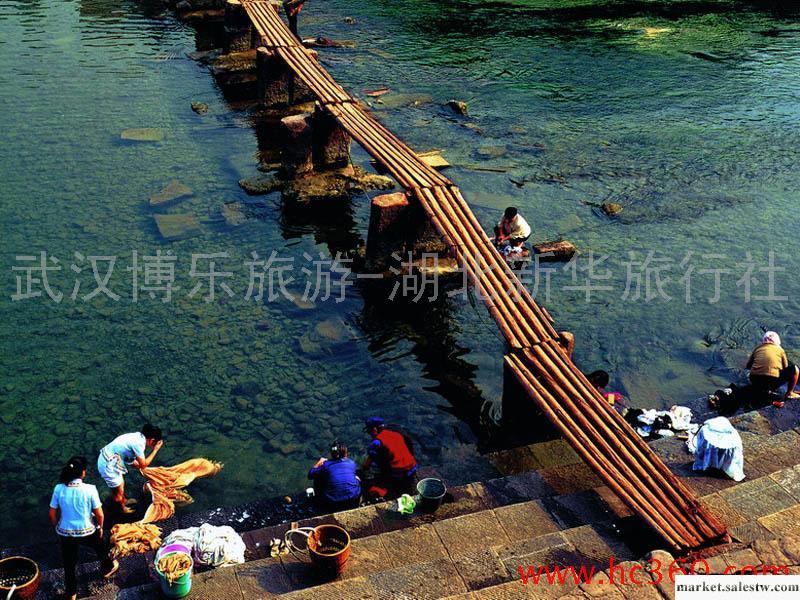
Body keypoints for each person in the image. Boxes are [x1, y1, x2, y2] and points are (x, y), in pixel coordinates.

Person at [49, 456, 119, 600]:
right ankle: (107, 568)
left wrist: (57, 526)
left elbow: (52, 513)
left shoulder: (58, 488)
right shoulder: (90, 489)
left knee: (69, 565)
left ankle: (72, 593)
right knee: (101, 548)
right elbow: (99, 514)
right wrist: (100, 527)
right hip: (87, 530)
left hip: (65, 533)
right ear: (83, 473)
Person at [98, 424, 163, 514]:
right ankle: (122, 509)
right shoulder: (139, 444)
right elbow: (143, 465)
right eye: (154, 443)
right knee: (118, 493)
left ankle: (124, 501)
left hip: (110, 458)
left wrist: (142, 468)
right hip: (108, 466)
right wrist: (155, 450)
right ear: (152, 440)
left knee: (121, 484)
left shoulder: (136, 436)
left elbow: (132, 461)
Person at [361, 417, 417, 499]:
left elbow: (367, 465)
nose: (369, 434)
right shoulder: (396, 434)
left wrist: (363, 470)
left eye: (369, 431)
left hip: (399, 473)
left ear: (374, 429)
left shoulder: (376, 443)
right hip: (413, 467)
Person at [746, 331, 800, 408]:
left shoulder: (757, 349)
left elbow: (748, 366)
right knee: (795, 369)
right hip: (771, 381)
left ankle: (761, 391)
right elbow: (786, 366)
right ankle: (789, 393)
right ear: (778, 343)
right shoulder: (780, 350)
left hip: (754, 380)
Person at [308, 441, 361, 513]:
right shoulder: (351, 463)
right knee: (355, 477)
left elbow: (310, 475)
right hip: (353, 498)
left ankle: (318, 501)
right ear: (346, 453)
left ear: (332, 454)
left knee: (318, 478)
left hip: (333, 501)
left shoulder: (326, 465)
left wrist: (319, 462)